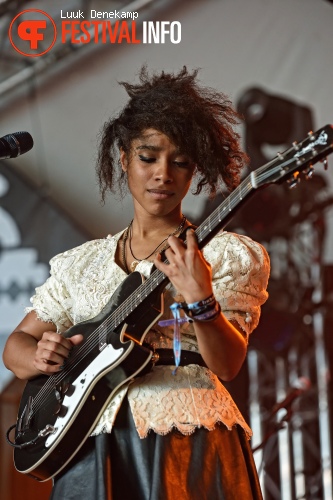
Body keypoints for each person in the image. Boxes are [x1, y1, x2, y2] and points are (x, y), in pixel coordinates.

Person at [3, 67, 270, 499]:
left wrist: (202, 299)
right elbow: (15, 348)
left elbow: (228, 364)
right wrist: (41, 356)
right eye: (148, 157)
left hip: (186, 436)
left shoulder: (222, 253)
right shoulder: (80, 263)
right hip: (86, 441)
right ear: (124, 158)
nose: (163, 173)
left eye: (180, 161)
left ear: (193, 170)